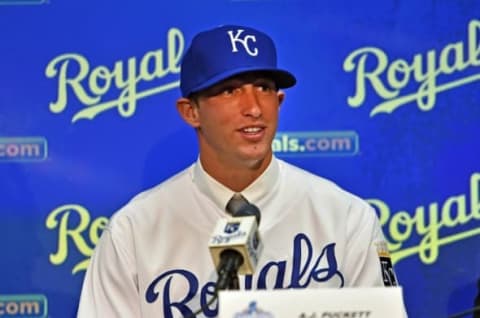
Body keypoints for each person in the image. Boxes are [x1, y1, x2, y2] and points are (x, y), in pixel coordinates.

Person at [77, 24, 399, 318]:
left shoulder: (347, 218)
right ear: (191, 112)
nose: (254, 108)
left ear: (280, 102)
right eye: (230, 90)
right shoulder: (133, 232)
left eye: (263, 87)